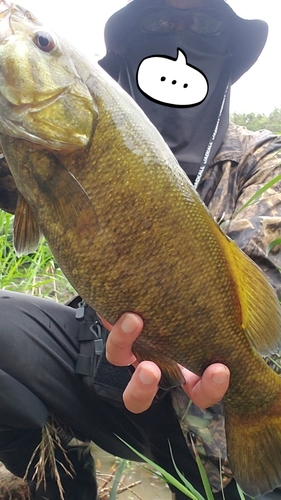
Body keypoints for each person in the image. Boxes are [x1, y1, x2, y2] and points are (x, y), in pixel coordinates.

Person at [0, 2, 280, 500]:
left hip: (203, 406)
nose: (179, 38)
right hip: (95, 368)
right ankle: (64, 482)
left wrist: (206, 360)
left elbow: (262, 283)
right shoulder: (41, 141)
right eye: (158, 23)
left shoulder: (264, 159)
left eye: (204, 24)